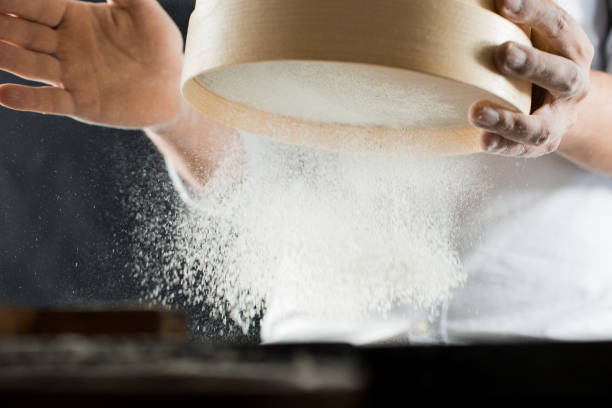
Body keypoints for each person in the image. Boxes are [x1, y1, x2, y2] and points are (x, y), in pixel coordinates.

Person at [1, 0, 611, 344]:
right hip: (322, 353)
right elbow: (270, 192)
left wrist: (572, 110)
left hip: (544, 339)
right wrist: (177, 111)